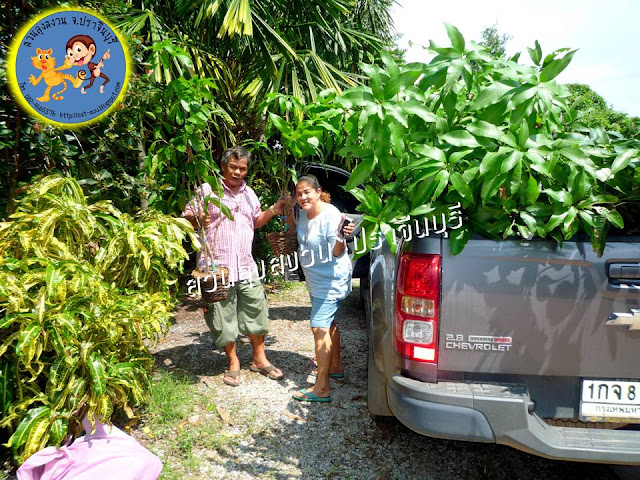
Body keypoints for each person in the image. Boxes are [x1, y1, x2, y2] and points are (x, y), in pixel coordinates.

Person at [182, 146, 287, 387]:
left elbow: (255, 221)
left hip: (246, 265)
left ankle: (259, 359)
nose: (238, 172)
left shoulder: (249, 193)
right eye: (233, 167)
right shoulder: (207, 189)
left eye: (242, 168)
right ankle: (233, 362)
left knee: (256, 310)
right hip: (216, 267)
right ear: (223, 166)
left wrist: (274, 210)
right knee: (222, 316)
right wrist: (197, 219)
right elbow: (186, 217)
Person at [290, 175, 354, 403]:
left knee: (319, 327)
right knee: (329, 323)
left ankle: (322, 387)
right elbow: (298, 234)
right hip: (315, 278)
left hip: (330, 280)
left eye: (307, 192)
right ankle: (335, 366)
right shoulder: (302, 213)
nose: (303, 197)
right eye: (299, 194)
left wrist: (341, 237)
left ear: (318, 192)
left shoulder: (331, 215)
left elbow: (337, 252)